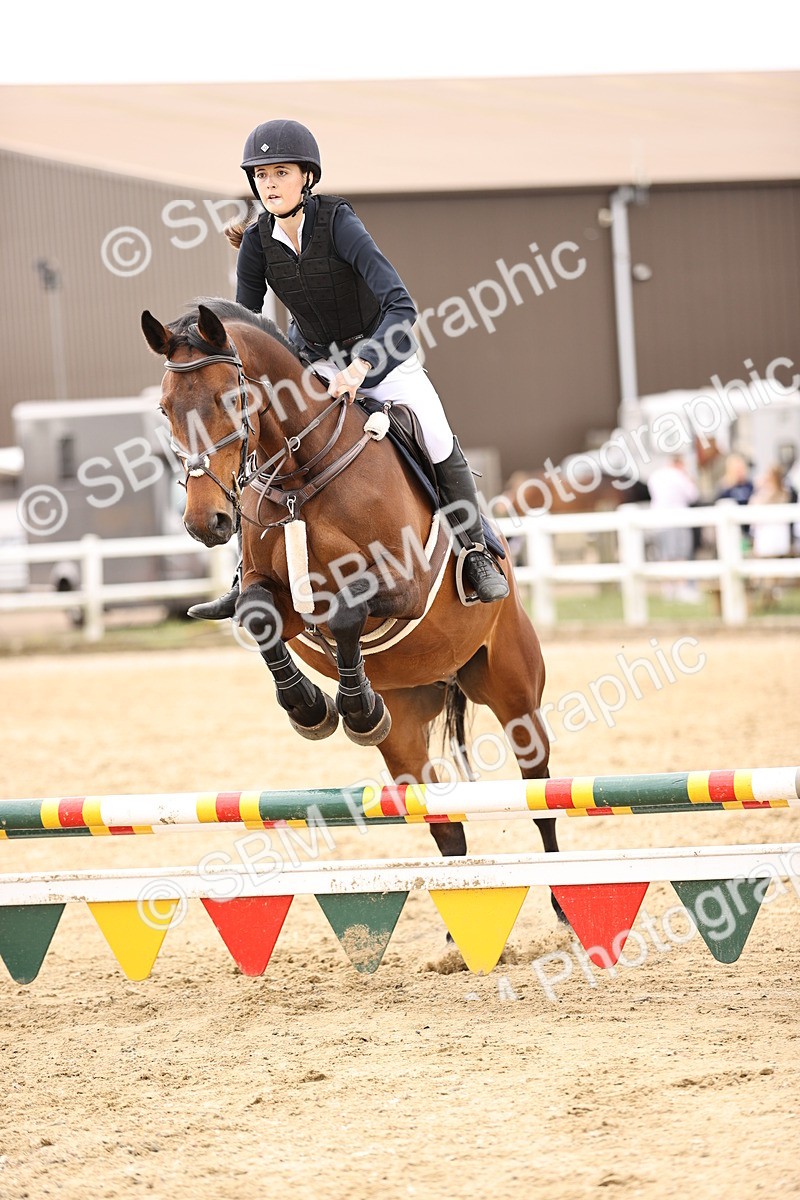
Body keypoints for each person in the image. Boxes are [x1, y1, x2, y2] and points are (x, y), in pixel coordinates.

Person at [190, 118, 508, 619]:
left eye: (280, 172)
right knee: (262, 437)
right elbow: (242, 329)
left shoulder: (338, 222)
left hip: (384, 357)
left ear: (306, 177)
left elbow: (401, 308)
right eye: (261, 175)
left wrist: (362, 366)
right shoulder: (257, 244)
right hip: (314, 364)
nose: (269, 184)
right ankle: (244, 570)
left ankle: (475, 551)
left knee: (438, 435)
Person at [646, 454, 700, 600]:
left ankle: (668, 590)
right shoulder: (680, 476)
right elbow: (693, 495)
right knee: (680, 555)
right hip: (679, 521)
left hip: (659, 522)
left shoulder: (655, 476)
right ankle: (683, 589)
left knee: (665, 556)